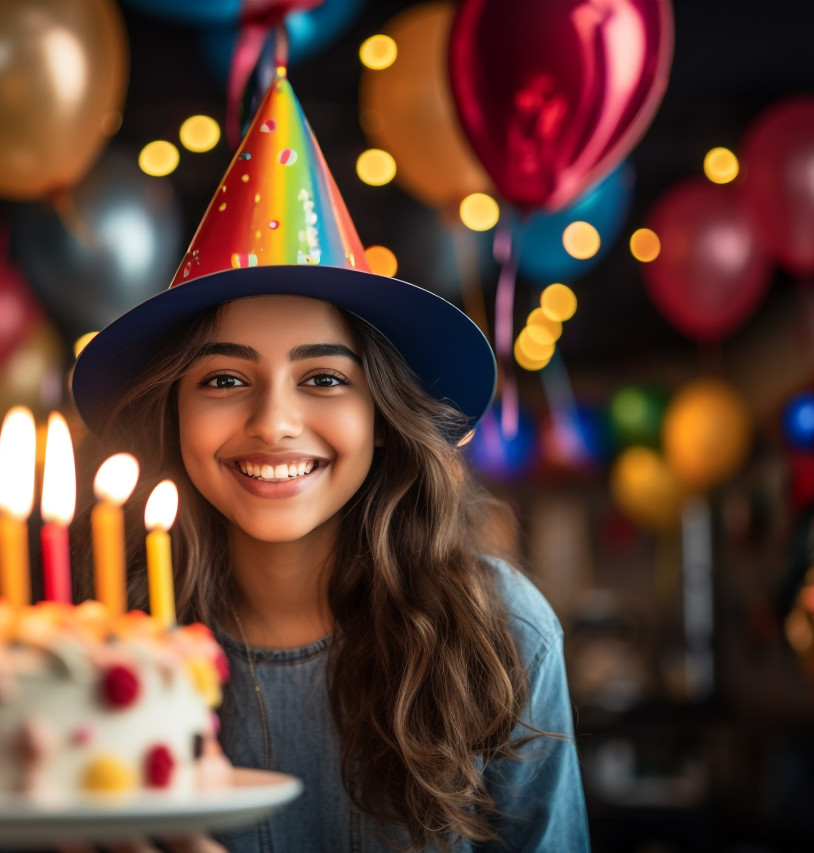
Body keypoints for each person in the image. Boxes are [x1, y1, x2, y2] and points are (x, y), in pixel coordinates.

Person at [71, 71, 589, 853]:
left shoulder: (502, 632)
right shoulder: (103, 651)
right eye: (222, 379)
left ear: (380, 417)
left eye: (323, 378)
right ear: (171, 411)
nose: (274, 422)